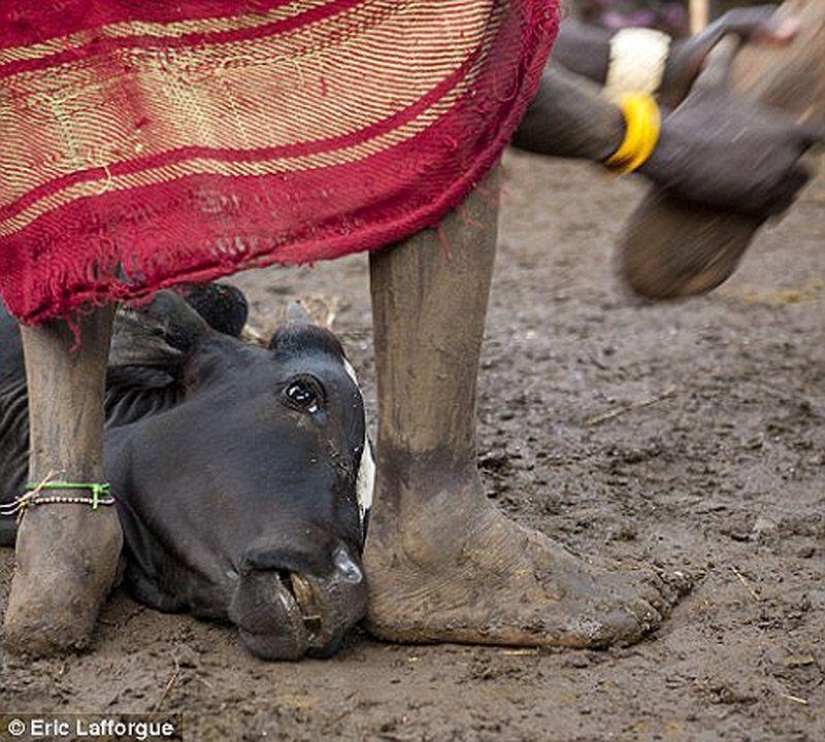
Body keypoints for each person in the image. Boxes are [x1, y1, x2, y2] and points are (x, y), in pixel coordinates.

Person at [2, 2, 818, 655]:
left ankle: (64, 522)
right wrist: (647, 140)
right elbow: (403, 31)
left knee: (54, 38)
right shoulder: (185, 331)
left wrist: (642, 64)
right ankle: (434, 520)